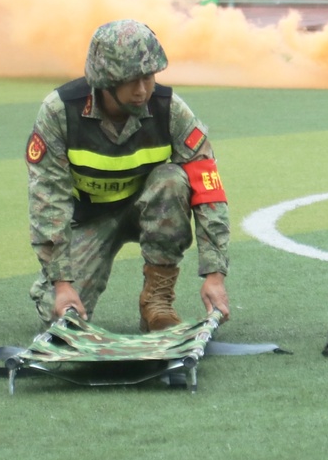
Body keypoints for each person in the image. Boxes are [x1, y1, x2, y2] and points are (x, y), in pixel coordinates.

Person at [25, 19, 231, 329]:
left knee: (173, 180)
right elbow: (48, 202)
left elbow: (208, 189)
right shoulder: (60, 113)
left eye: (148, 77)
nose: (142, 90)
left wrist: (214, 274)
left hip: (149, 208)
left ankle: (156, 302)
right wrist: (62, 283)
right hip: (90, 218)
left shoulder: (170, 110)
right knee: (57, 313)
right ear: (105, 79)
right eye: (130, 80)